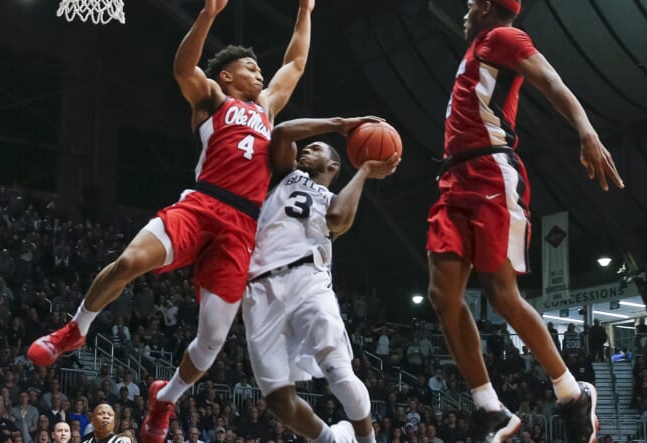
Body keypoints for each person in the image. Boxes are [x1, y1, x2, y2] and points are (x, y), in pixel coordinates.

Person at [28, 0, 314, 441]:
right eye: (251, 68)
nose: (261, 74)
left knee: (212, 342)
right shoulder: (213, 99)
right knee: (128, 262)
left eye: (261, 69)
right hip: (202, 204)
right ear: (227, 76)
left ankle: (165, 398)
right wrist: (207, 15)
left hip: (242, 226)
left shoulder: (268, 109)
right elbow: (183, 68)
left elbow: (294, 63)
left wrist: (305, 10)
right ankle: (75, 329)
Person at [425, 1, 623, 442]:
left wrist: (586, 132)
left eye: (472, 2)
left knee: (502, 294)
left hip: (491, 172)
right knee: (442, 296)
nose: (466, 9)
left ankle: (572, 393)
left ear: (489, 6)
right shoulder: (477, 47)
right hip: (454, 178)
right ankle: (490, 408)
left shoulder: (503, 36)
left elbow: (551, 81)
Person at [242, 116, 399, 443]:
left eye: (315, 149)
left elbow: (338, 220)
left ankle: (366, 439)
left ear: (332, 165)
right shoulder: (285, 175)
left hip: (308, 279)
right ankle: (334, 440)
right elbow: (282, 133)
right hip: (260, 288)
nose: (306, 151)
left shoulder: (334, 200)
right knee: (277, 400)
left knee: (338, 372)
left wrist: (364, 171)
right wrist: (339, 124)